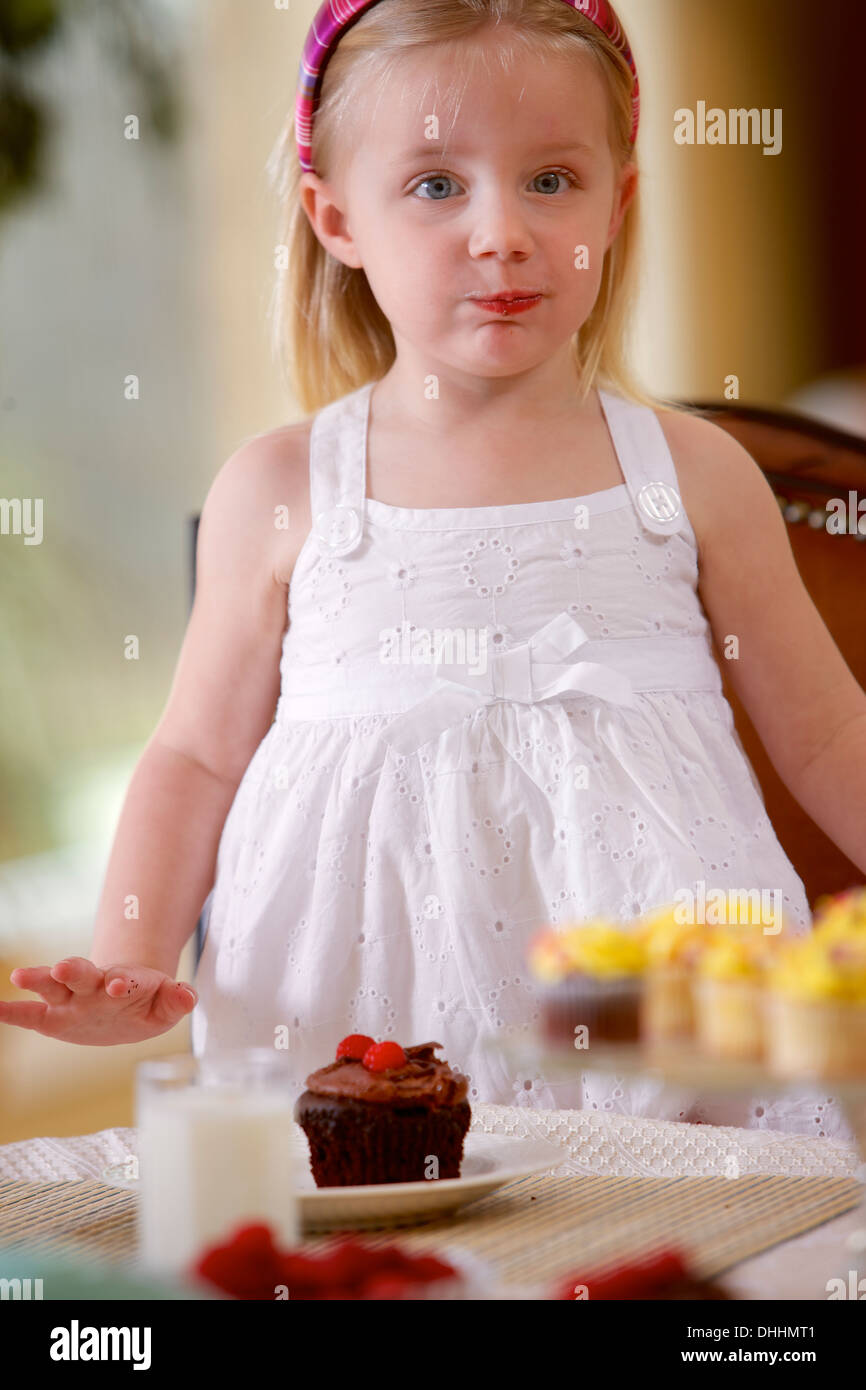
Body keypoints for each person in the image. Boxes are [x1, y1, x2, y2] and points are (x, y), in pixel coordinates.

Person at [3, 0, 865, 1141]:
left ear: (618, 200)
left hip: (659, 1017)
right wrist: (126, 959)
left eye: (550, 180)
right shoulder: (284, 486)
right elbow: (196, 754)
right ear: (334, 217)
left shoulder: (692, 475)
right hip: (349, 1012)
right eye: (434, 185)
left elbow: (821, 734)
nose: (500, 229)